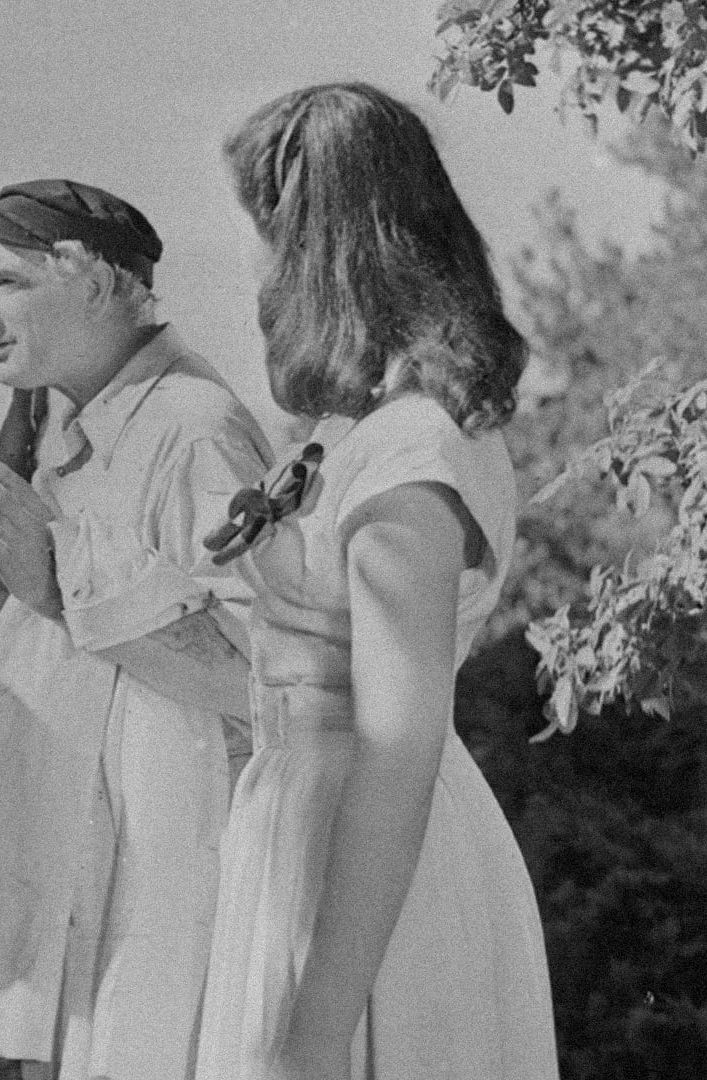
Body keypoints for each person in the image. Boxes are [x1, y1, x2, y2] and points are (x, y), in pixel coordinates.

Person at [194, 82, 557, 1080]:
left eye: (263, 232)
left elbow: (398, 753)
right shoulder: (358, 433)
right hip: (299, 844)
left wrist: (315, 1034)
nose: (252, 265)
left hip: (373, 882)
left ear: (316, 247)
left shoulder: (412, 457)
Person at [0, 179, 270, 1080]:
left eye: (8, 283)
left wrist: (58, 583)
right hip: (65, 907)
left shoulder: (194, 430)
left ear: (101, 285)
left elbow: (263, 680)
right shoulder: (67, 422)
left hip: (153, 899)